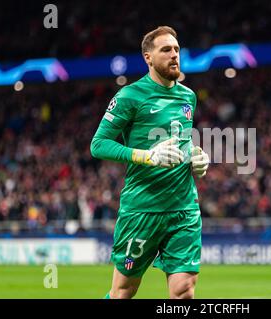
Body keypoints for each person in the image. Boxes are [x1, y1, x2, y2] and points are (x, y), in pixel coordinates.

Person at [90, 26, 209, 299]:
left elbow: (181, 140)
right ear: (148, 57)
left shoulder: (188, 96)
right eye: (166, 50)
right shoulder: (130, 97)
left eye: (177, 49)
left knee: (184, 292)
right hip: (142, 210)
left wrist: (196, 157)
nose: (174, 55)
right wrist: (146, 156)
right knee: (122, 293)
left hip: (184, 209)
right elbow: (98, 145)